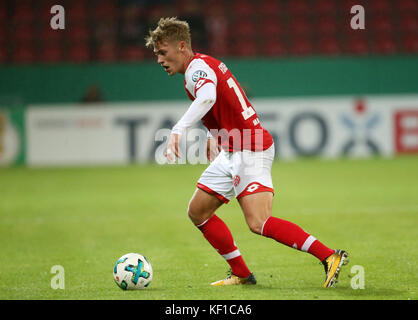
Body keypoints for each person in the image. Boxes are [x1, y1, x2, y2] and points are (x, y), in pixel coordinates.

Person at [145, 17, 348, 287]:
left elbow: (207, 97)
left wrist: (178, 129)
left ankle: (329, 256)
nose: (159, 59)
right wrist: (212, 134)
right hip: (232, 149)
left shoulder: (196, 70)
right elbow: (220, 103)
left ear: (182, 46)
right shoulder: (202, 66)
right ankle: (241, 272)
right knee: (198, 211)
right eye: (156, 54)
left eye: (162, 52)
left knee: (259, 222)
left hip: (250, 148)